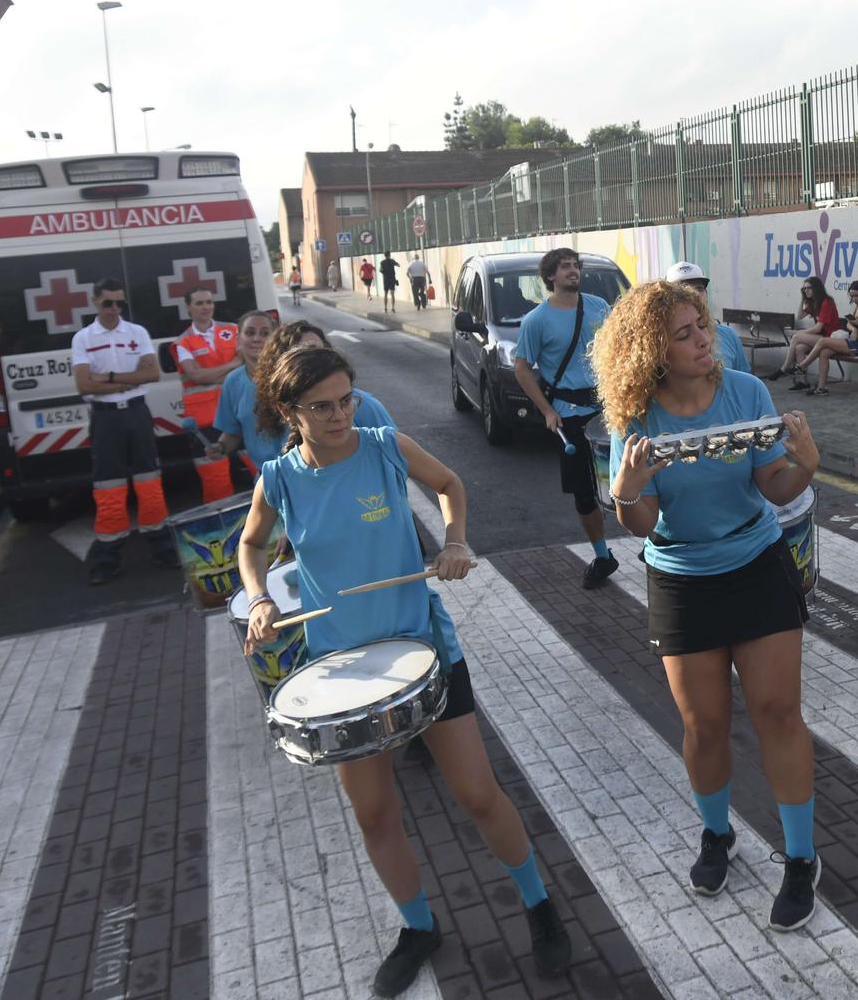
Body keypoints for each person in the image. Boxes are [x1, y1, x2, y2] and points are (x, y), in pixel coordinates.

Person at [237, 346, 571, 994]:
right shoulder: (278, 478)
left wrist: (453, 540)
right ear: (290, 412)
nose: (340, 415)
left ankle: (538, 903)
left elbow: (451, 485)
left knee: (477, 793)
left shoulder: (386, 445)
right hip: (342, 670)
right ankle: (417, 926)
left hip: (423, 649)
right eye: (322, 407)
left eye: (346, 399)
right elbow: (251, 544)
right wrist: (258, 597)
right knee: (375, 814)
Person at [594, 281, 825, 932]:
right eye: (686, 333)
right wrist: (625, 490)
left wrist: (805, 466)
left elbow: (773, 482)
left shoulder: (745, 391)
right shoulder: (635, 417)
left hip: (756, 564)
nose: (706, 341)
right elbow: (641, 522)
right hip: (682, 578)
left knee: (779, 712)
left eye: (704, 325)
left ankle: (802, 856)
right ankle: (717, 833)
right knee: (705, 725)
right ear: (650, 352)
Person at [513, 248, 616, 589]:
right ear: (551, 277)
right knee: (585, 493)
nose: (573, 271)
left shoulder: (599, 307)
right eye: (565, 267)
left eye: (575, 266)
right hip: (569, 414)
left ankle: (651, 541)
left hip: (607, 408)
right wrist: (546, 410)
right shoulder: (536, 321)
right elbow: (522, 369)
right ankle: (603, 556)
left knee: (633, 480)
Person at [70, 278, 170, 585]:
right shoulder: (83, 338)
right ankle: (108, 558)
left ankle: (162, 549)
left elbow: (152, 373)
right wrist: (129, 379)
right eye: (107, 303)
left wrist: (109, 377)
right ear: (94, 302)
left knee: (149, 481)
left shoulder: (136, 332)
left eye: (119, 303)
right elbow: (84, 383)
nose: (114, 309)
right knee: (108, 487)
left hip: (137, 414)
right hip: (106, 419)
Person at [209, 316, 396, 471]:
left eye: (317, 349)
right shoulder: (256, 395)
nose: (312, 360)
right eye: (300, 353)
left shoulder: (362, 404)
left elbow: (397, 461)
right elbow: (234, 432)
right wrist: (221, 447)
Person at [174, 286, 240, 504]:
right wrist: (232, 366)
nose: (206, 307)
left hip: (242, 410)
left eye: (209, 302)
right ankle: (226, 535)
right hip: (206, 419)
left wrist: (209, 374)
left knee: (263, 470)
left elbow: (249, 362)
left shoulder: (233, 330)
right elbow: (194, 375)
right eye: (199, 303)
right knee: (216, 482)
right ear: (188, 308)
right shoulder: (183, 341)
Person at [794, 280, 858, 396]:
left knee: (823, 341)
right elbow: (849, 323)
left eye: (857, 295)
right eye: (852, 296)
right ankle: (822, 388)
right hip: (852, 341)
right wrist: (854, 328)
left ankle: (802, 365)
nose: (854, 298)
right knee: (824, 352)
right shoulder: (857, 307)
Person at [665, 261, 750, 372]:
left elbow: (743, 380)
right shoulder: (660, 339)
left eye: (699, 288)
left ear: (706, 294)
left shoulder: (728, 335)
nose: (693, 294)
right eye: (682, 290)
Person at [765, 277, 841, 388]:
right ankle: (803, 382)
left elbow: (818, 328)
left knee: (796, 337)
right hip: (821, 337)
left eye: (809, 288)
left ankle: (784, 369)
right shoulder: (814, 302)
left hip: (830, 339)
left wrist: (798, 332)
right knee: (799, 348)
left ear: (817, 288)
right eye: (804, 289)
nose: (806, 291)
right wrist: (802, 299)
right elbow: (800, 316)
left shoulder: (827, 302)